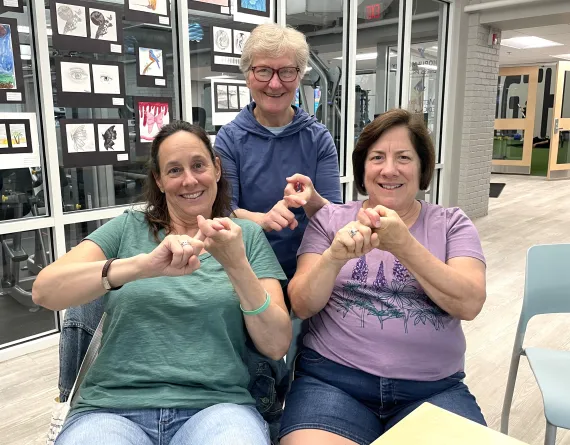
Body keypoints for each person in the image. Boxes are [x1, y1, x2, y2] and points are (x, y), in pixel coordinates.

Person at [32, 121, 292, 445]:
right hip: (111, 409)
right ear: (159, 179)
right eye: (174, 170)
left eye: (198, 165)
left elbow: (276, 343)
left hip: (216, 408)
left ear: (217, 168)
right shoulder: (127, 228)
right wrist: (141, 266)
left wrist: (236, 264)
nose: (189, 180)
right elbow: (45, 290)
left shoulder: (246, 237)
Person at [279, 109, 487, 445]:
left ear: (422, 168)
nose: (389, 169)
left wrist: (404, 245)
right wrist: (333, 258)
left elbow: (470, 302)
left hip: (432, 388)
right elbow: (301, 304)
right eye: (377, 157)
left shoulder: (451, 223)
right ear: (362, 169)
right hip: (333, 382)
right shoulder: (330, 220)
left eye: (404, 157)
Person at [215, 23, 342, 285]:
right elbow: (223, 212)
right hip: (248, 273)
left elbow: (335, 219)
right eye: (263, 71)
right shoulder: (230, 139)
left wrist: (312, 200)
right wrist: (263, 220)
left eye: (286, 71)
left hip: (309, 271)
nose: (274, 83)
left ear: (299, 76)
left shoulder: (318, 138)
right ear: (248, 75)